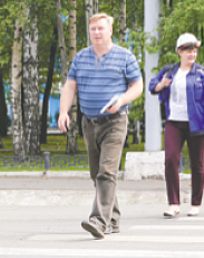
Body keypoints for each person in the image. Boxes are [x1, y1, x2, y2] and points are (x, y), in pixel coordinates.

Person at [58, 13, 143, 239]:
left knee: (107, 171)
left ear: (110, 31)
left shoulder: (125, 57)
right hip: (89, 122)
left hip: (115, 121)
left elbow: (138, 86)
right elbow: (70, 86)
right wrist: (64, 112)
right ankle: (113, 218)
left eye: (101, 28)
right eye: (93, 29)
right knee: (97, 173)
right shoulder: (81, 58)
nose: (96, 33)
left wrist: (122, 100)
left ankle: (98, 220)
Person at [149, 33, 204, 218]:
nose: (192, 54)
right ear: (179, 51)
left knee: (197, 164)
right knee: (170, 159)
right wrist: (161, 85)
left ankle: (195, 204)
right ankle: (174, 203)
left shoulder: (203, 73)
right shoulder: (169, 71)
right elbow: (152, 86)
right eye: (188, 50)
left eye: (194, 50)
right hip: (174, 122)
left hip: (197, 124)